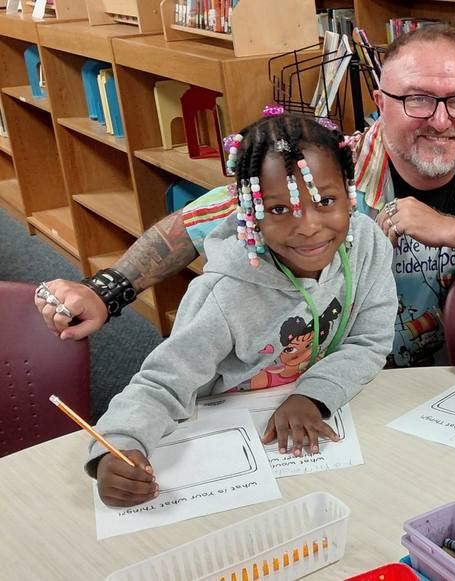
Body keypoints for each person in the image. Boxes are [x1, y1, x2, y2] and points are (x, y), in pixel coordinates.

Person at [35, 26, 455, 368]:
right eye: (417, 100)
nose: (440, 119)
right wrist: (106, 290)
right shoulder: (333, 170)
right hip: (355, 376)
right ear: (381, 102)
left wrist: (447, 228)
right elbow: (197, 222)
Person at [85, 114, 396, 507]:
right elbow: (163, 383)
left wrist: (313, 396)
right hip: (227, 441)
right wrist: (118, 446)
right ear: (251, 213)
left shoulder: (367, 245)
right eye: (279, 209)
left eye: (325, 201)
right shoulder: (223, 294)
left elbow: (369, 341)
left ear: (349, 194)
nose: (308, 226)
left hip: (313, 434)